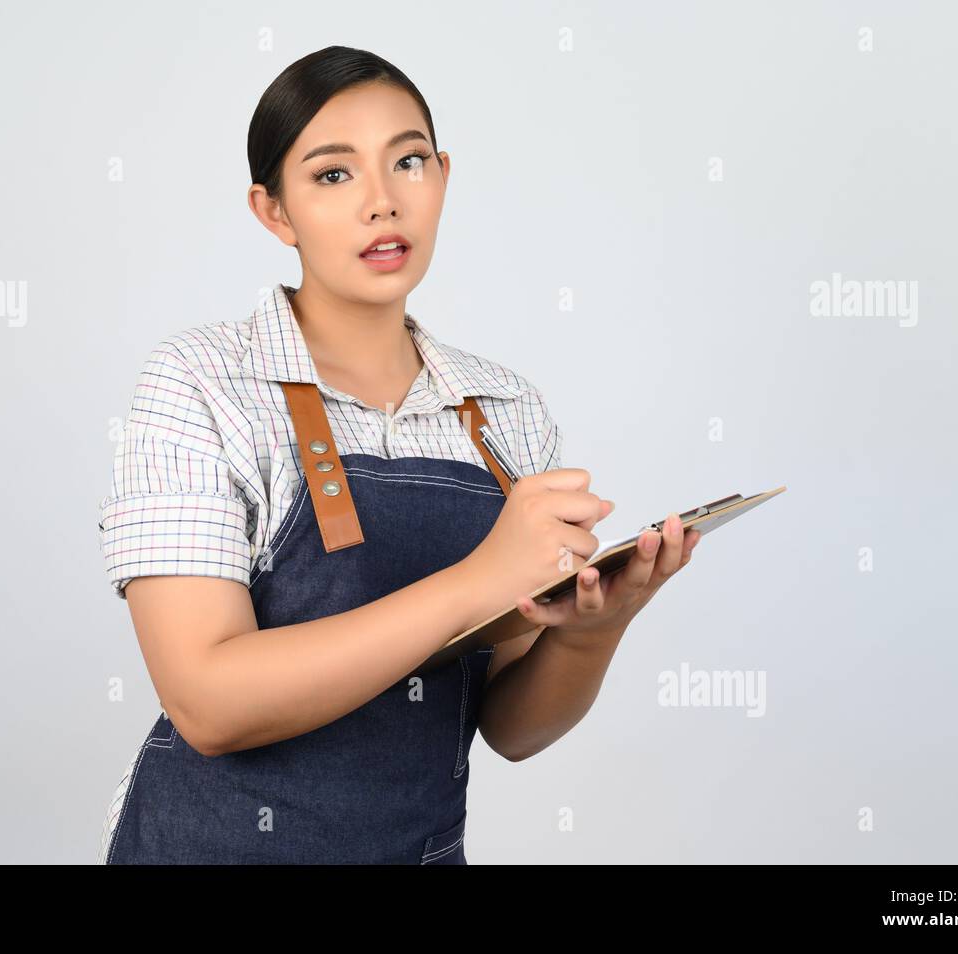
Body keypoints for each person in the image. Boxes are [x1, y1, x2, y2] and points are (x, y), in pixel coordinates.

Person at [95, 45, 700, 865]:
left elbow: (509, 726)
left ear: (443, 176)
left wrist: (595, 629)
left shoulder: (506, 413)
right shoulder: (202, 382)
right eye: (333, 175)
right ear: (274, 212)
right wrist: (477, 580)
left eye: (408, 161)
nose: (383, 203)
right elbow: (209, 702)